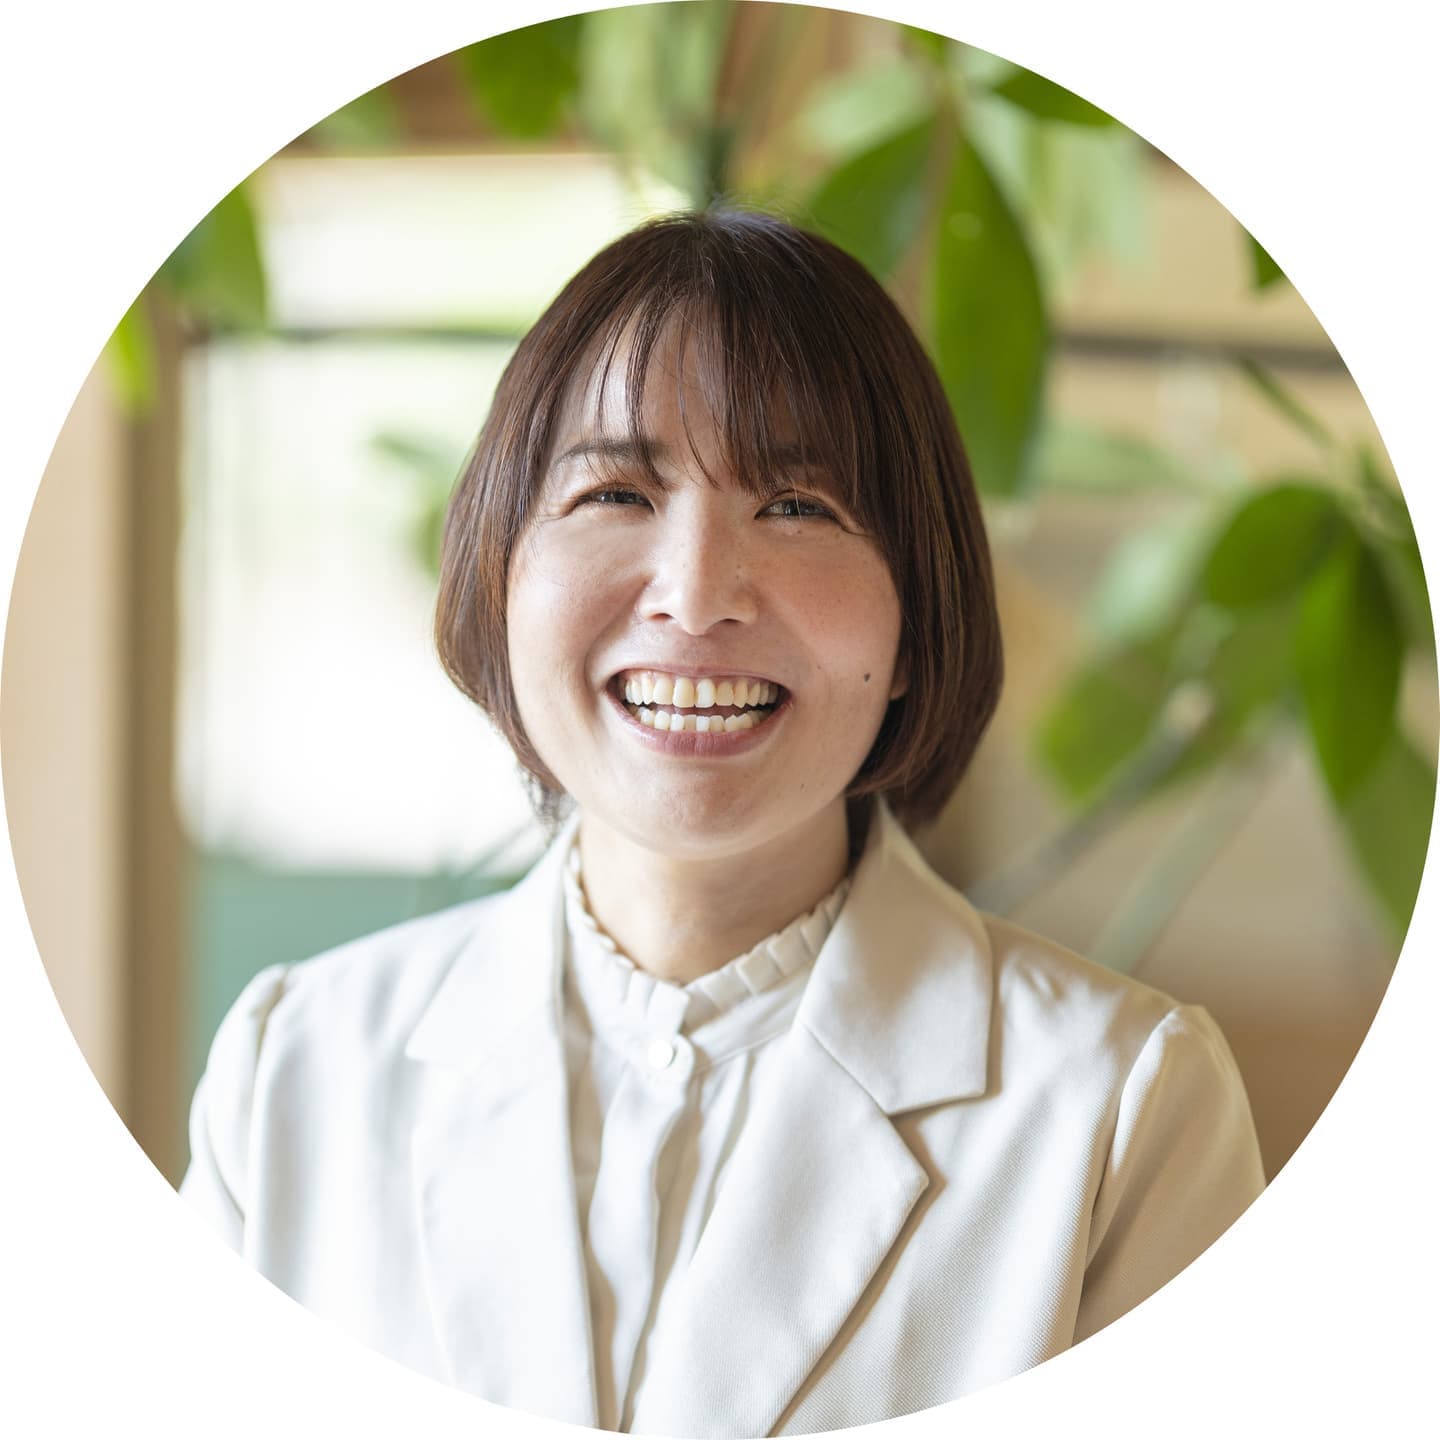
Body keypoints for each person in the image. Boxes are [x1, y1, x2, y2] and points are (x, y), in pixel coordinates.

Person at [180, 209, 1265, 1437]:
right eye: (614, 491)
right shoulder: (295, 1069)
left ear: (917, 619)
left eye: (798, 505)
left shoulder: (1123, 1109)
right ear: (498, 573)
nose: (696, 597)